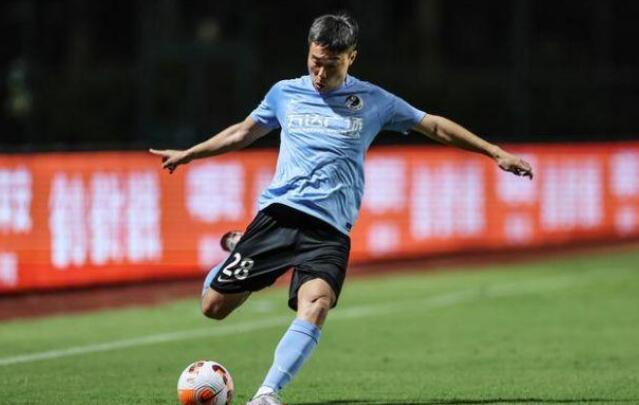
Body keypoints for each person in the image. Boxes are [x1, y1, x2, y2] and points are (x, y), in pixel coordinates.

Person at [150, 13, 533, 405]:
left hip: (329, 232)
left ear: (352, 57)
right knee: (213, 307)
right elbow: (243, 131)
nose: (319, 73)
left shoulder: (374, 101)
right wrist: (190, 153)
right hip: (280, 216)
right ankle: (240, 248)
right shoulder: (285, 93)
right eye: (314, 62)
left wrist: (494, 152)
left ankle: (267, 394)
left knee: (316, 304)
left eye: (331, 65)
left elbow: (432, 125)